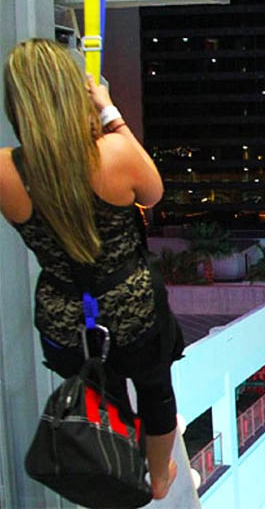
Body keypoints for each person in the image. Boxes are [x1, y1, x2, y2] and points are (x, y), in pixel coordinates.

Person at [0, 39, 182, 499]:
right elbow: (153, 193)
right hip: (131, 311)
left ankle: (111, 469)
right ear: (73, 93)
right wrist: (109, 112)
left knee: (102, 396)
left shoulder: (5, 170)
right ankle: (158, 480)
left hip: (65, 318)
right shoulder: (112, 154)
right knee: (155, 392)